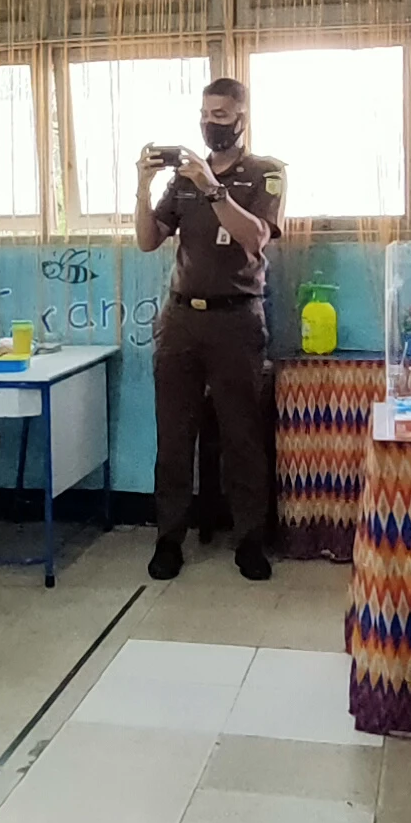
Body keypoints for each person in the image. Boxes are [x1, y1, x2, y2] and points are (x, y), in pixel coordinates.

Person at [136, 75, 285, 580]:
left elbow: (256, 237)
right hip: (181, 319)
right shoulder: (182, 180)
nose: (209, 123)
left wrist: (213, 187)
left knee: (242, 435)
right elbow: (147, 240)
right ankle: (168, 540)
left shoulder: (266, 173)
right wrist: (142, 186)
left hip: (236, 319)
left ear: (242, 119)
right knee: (174, 436)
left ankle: (249, 541)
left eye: (220, 115)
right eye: (205, 114)